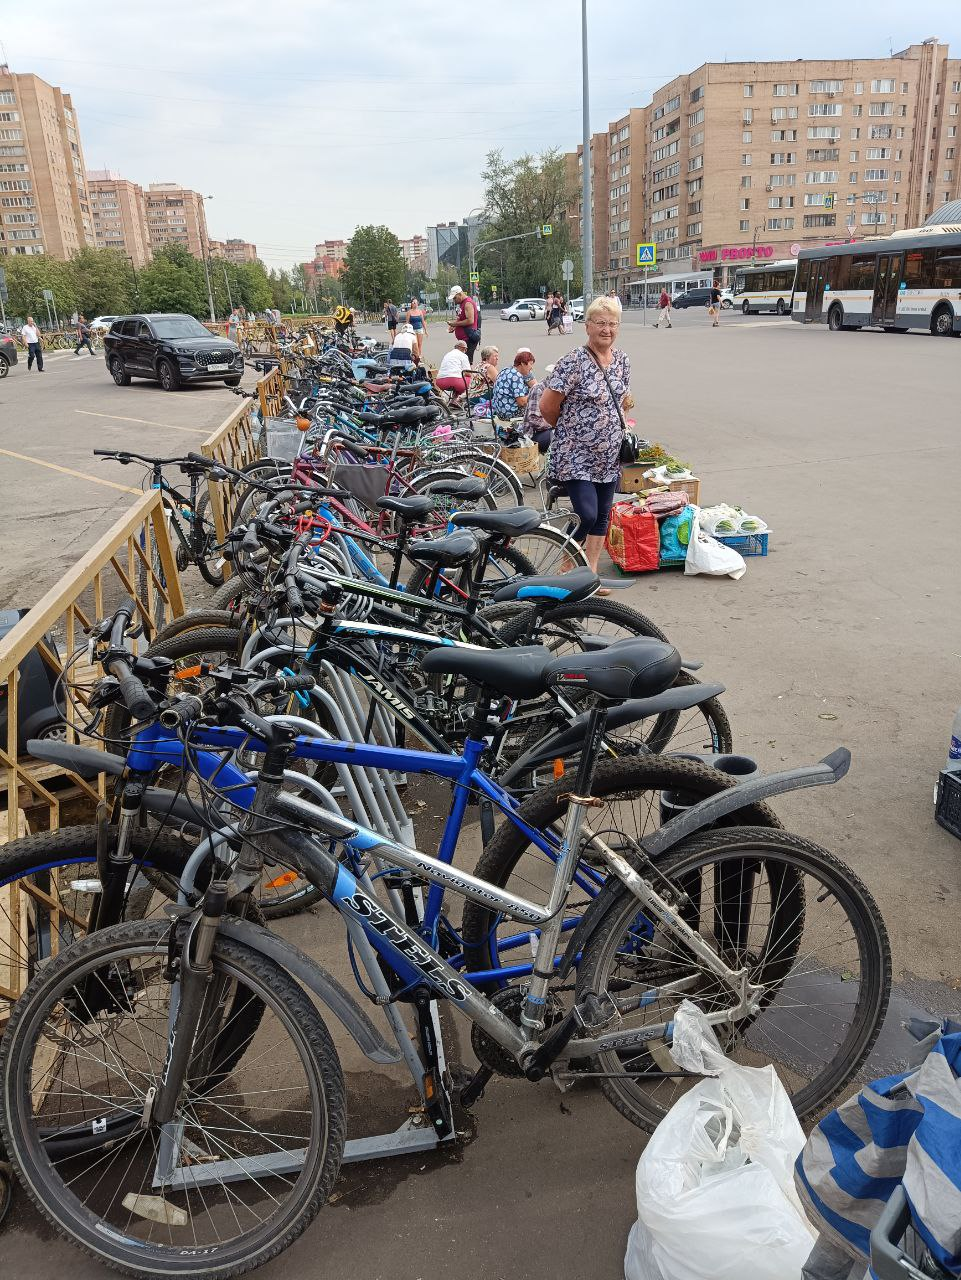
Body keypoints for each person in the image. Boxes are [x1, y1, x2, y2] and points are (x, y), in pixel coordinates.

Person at [539, 295, 632, 578]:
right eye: (601, 323)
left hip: (609, 454)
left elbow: (621, 397)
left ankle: (589, 572)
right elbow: (547, 406)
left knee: (603, 515)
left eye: (612, 324)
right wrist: (572, 430)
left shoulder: (623, 360)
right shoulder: (573, 361)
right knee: (587, 515)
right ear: (587, 326)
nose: (607, 329)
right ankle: (567, 563)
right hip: (575, 454)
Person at [491, 348, 535, 422]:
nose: (531, 368)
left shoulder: (506, 370)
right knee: (538, 408)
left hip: (500, 411)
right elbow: (522, 402)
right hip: (510, 413)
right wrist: (534, 395)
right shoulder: (516, 376)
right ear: (522, 364)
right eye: (530, 364)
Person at [523, 361, 555, 455]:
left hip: (547, 429)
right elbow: (534, 420)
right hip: (534, 434)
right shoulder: (539, 389)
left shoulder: (557, 391)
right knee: (561, 437)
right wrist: (555, 424)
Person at [447, 286, 481, 365]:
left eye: (455, 298)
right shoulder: (462, 303)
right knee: (463, 362)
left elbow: (470, 320)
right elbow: (461, 318)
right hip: (464, 339)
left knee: (467, 363)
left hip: (468, 338)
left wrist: (455, 324)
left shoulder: (468, 303)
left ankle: (468, 377)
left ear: (460, 294)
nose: (454, 300)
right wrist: (454, 326)